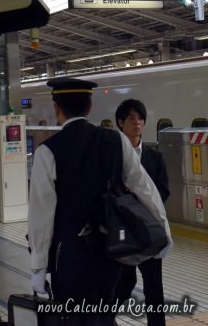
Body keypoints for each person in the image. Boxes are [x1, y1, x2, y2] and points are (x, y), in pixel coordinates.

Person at [28, 77, 172, 325]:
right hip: (111, 249)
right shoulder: (116, 142)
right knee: (104, 312)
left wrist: (38, 267)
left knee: (75, 317)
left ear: (57, 109)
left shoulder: (47, 151)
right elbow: (145, 188)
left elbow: (41, 216)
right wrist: (164, 232)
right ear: (90, 107)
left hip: (69, 255)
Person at [115, 99, 170, 326]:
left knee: (154, 285)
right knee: (123, 283)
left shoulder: (154, 156)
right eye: (131, 118)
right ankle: (104, 317)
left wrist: (141, 198)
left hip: (149, 230)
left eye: (140, 118)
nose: (137, 123)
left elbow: (163, 189)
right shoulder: (114, 156)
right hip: (124, 231)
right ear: (120, 123)